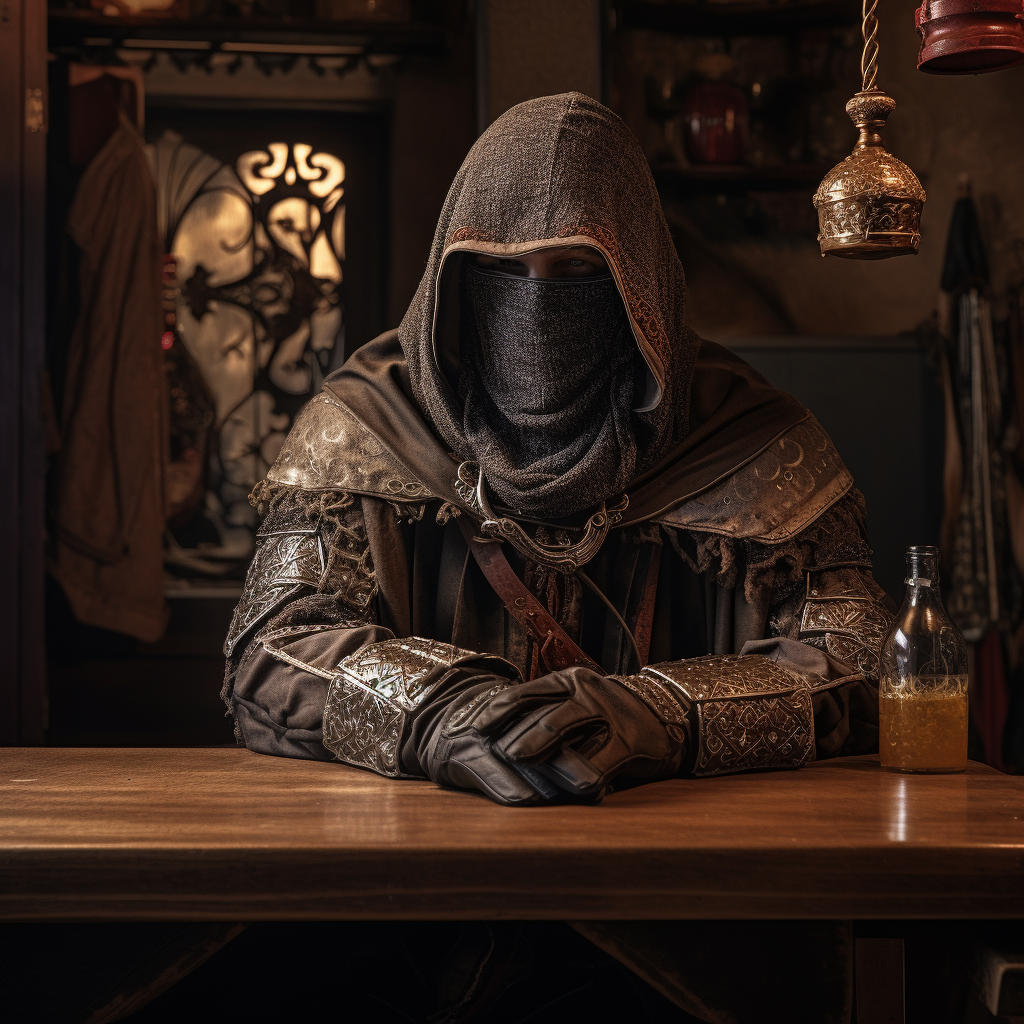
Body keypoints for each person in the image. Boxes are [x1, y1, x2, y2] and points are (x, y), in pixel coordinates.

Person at [221, 92, 892, 1022]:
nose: (539, 299)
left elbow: (858, 660)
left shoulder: (754, 439)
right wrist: (435, 710)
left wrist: (668, 717)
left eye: (577, 269)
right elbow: (272, 646)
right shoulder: (370, 422)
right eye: (505, 271)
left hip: (694, 920)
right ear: (454, 280)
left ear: (641, 285)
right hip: (406, 913)